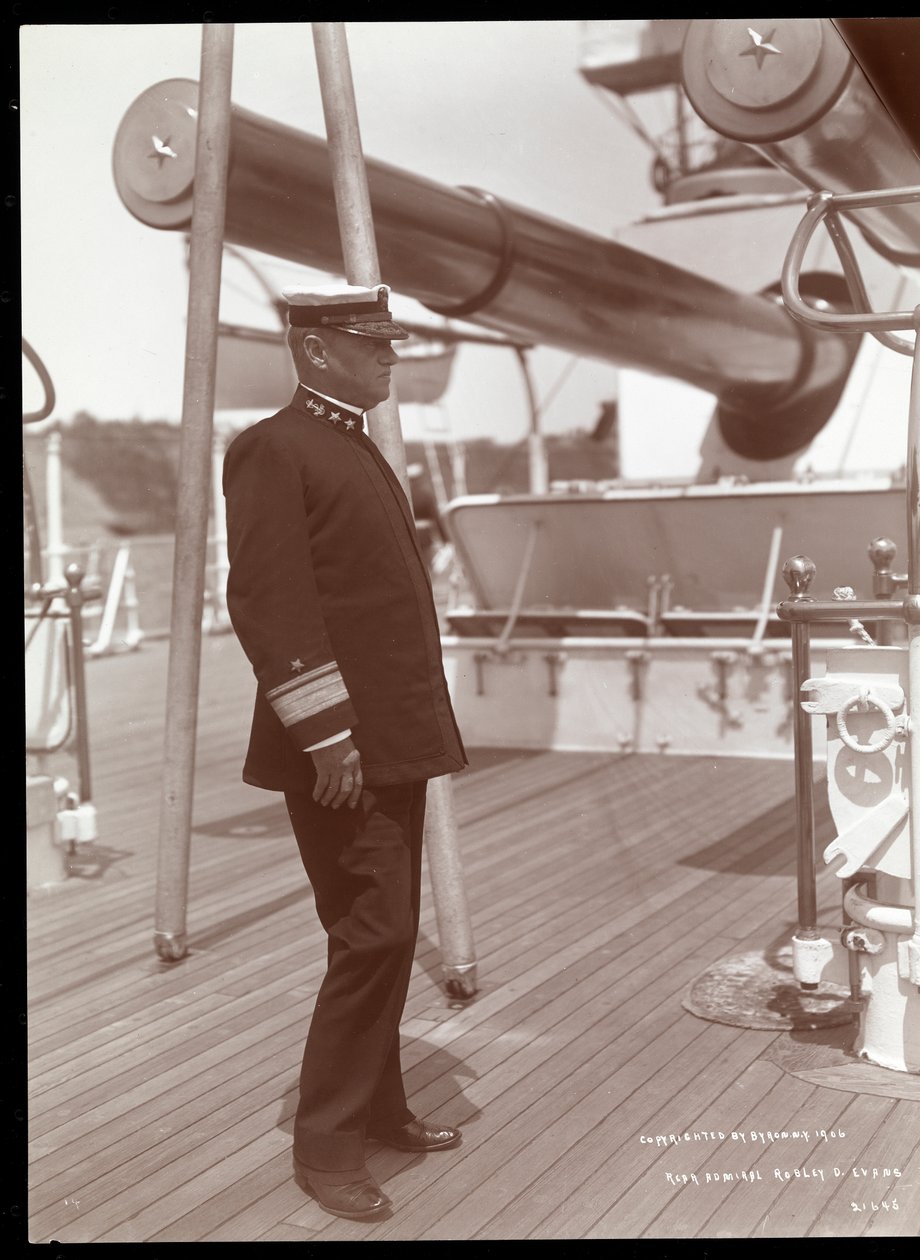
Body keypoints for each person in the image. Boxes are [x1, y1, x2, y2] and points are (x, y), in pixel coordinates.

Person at [222, 283, 468, 1221]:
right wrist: (326, 735)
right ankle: (326, 1149)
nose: (390, 356)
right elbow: (270, 603)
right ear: (317, 352)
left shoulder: (350, 443)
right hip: (341, 751)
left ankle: (379, 1106)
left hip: (388, 743)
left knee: (383, 930)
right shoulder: (274, 448)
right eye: (373, 345)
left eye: (390, 343)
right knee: (375, 933)